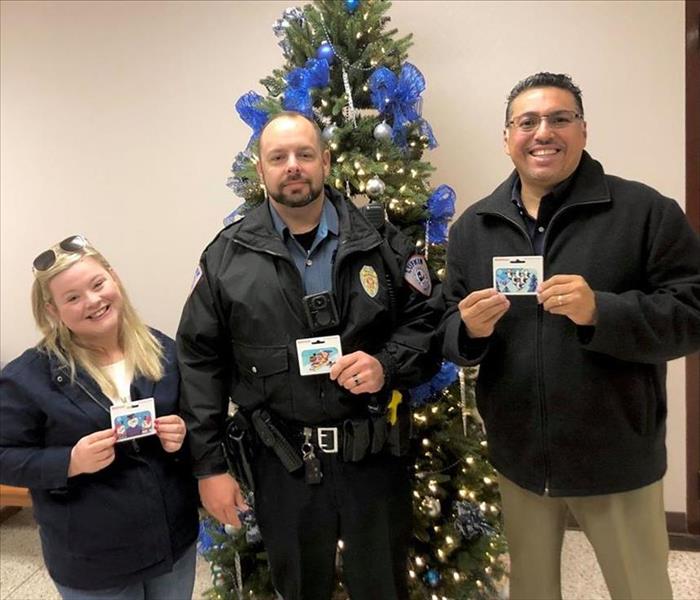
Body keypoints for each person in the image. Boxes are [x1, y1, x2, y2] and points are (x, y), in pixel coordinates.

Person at [441, 72, 700, 600]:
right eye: (527, 121)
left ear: (583, 131)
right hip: (518, 458)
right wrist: (466, 331)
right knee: (533, 591)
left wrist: (599, 312)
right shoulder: (474, 227)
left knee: (641, 590)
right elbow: (444, 322)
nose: (543, 132)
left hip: (616, 457)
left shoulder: (644, 212)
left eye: (560, 119)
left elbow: (691, 313)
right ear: (507, 137)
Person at [177, 111, 442, 600]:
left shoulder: (381, 240)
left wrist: (386, 365)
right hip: (284, 461)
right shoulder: (225, 259)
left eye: (304, 154)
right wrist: (209, 468)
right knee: (298, 588)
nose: (292, 166)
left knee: (383, 587)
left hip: (373, 451)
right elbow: (199, 364)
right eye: (278, 157)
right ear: (261, 171)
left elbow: (427, 321)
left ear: (325, 160)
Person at [0, 235, 200, 600]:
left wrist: (182, 433)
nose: (93, 301)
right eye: (72, 298)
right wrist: (69, 462)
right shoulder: (27, 377)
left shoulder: (161, 350)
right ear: (52, 311)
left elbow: (195, 421)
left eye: (98, 284)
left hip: (173, 543)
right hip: (94, 564)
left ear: (114, 278)